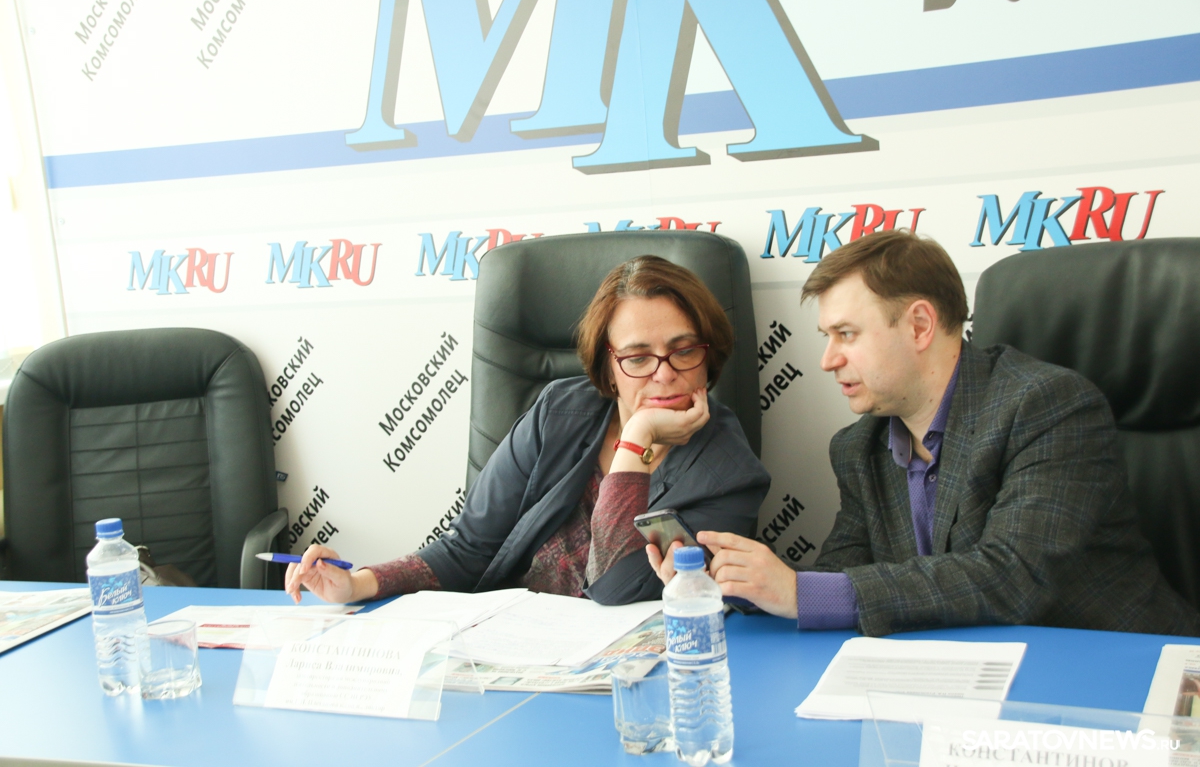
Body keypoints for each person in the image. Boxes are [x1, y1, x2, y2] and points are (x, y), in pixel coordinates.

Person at [668, 230, 1200, 636]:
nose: (828, 360)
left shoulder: (1048, 405)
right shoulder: (859, 448)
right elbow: (839, 577)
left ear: (920, 325)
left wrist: (798, 592)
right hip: (971, 678)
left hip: (1125, 670)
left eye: (846, 334)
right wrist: (738, 585)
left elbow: (1015, 577)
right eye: (827, 336)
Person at [285, 255, 770, 606]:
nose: (663, 374)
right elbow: (468, 550)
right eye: (638, 357)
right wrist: (359, 583)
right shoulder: (558, 412)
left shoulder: (730, 473)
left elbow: (615, 595)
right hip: (508, 648)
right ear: (609, 367)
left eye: (683, 351)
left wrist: (636, 437)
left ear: (709, 356)